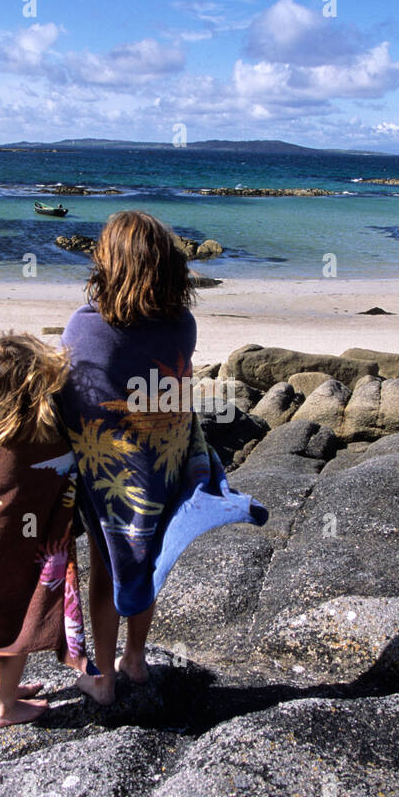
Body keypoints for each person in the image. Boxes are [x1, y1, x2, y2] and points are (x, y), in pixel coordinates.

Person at [58, 210, 267, 706]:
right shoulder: (182, 323)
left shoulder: (88, 329)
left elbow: (70, 397)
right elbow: (171, 386)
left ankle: (103, 676)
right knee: (147, 555)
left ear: (109, 267)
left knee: (109, 562)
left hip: (111, 477)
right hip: (165, 462)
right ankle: (135, 657)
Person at [0, 331, 101, 728]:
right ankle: (4, 707)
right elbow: (66, 463)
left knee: (0, 618)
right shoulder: (33, 437)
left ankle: (8, 690)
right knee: (16, 625)